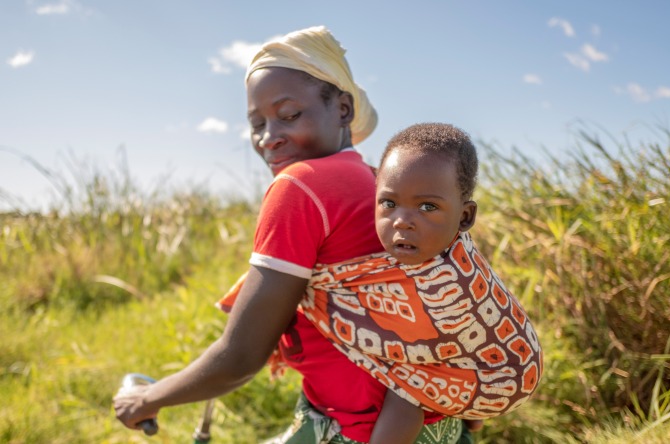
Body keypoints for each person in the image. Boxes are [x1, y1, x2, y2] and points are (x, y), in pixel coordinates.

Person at [114, 26, 470, 444]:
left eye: (288, 115)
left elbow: (241, 357)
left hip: (355, 431)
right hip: (442, 423)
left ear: (342, 109)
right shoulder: (379, 186)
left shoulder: (301, 186)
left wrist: (144, 400)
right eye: (256, 123)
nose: (268, 137)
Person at [219, 123, 543, 443]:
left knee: (407, 390)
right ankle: (467, 424)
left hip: (494, 379)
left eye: (427, 206)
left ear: (465, 217)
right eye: (388, 203)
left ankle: (468, 420)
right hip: (449, 410)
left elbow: (474, 342)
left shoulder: (450, 281)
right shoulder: (381, 267)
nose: (402, 220)